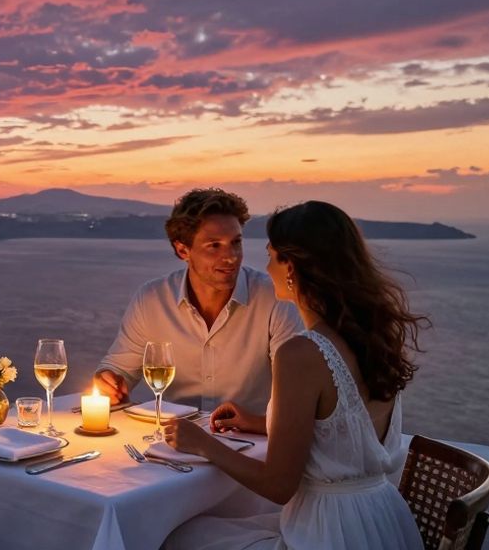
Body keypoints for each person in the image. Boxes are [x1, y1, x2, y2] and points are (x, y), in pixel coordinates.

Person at [161, 200, 429, 550]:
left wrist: (202, 443)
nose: (266, 266)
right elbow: (345, 427)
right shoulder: (372, 336)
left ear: (293, 266)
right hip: (381, 521)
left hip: (327, 534)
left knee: (178, 537)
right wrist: (262, 422)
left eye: (272, 255)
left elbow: (278, 486)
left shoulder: (302, 352)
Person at [94, 188, 301, 413]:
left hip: (254, 442)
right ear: (183, 250)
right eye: (214, 245)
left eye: (236, 242)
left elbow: (296, 397)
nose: (231, 256)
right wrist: (108, 383)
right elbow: (119, 369)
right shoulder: (152, 300)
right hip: (175, 439)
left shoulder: (274, 299)